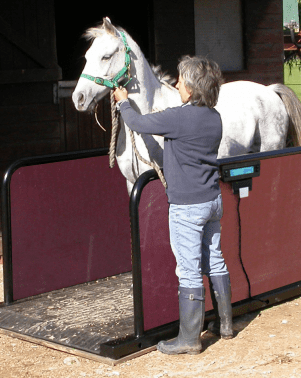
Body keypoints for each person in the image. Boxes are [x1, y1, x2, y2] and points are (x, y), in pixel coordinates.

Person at [114, 56, 233, 355]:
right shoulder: (214, 117)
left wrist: (123, 102)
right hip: (212, 202)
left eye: (181, 80)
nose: (177, 84)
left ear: (191, 89)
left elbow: (138, 123)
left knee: (189, 270)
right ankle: (226, 325)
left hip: (187, 208)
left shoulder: (178, 117)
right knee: (215, 260)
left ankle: (189, 339)